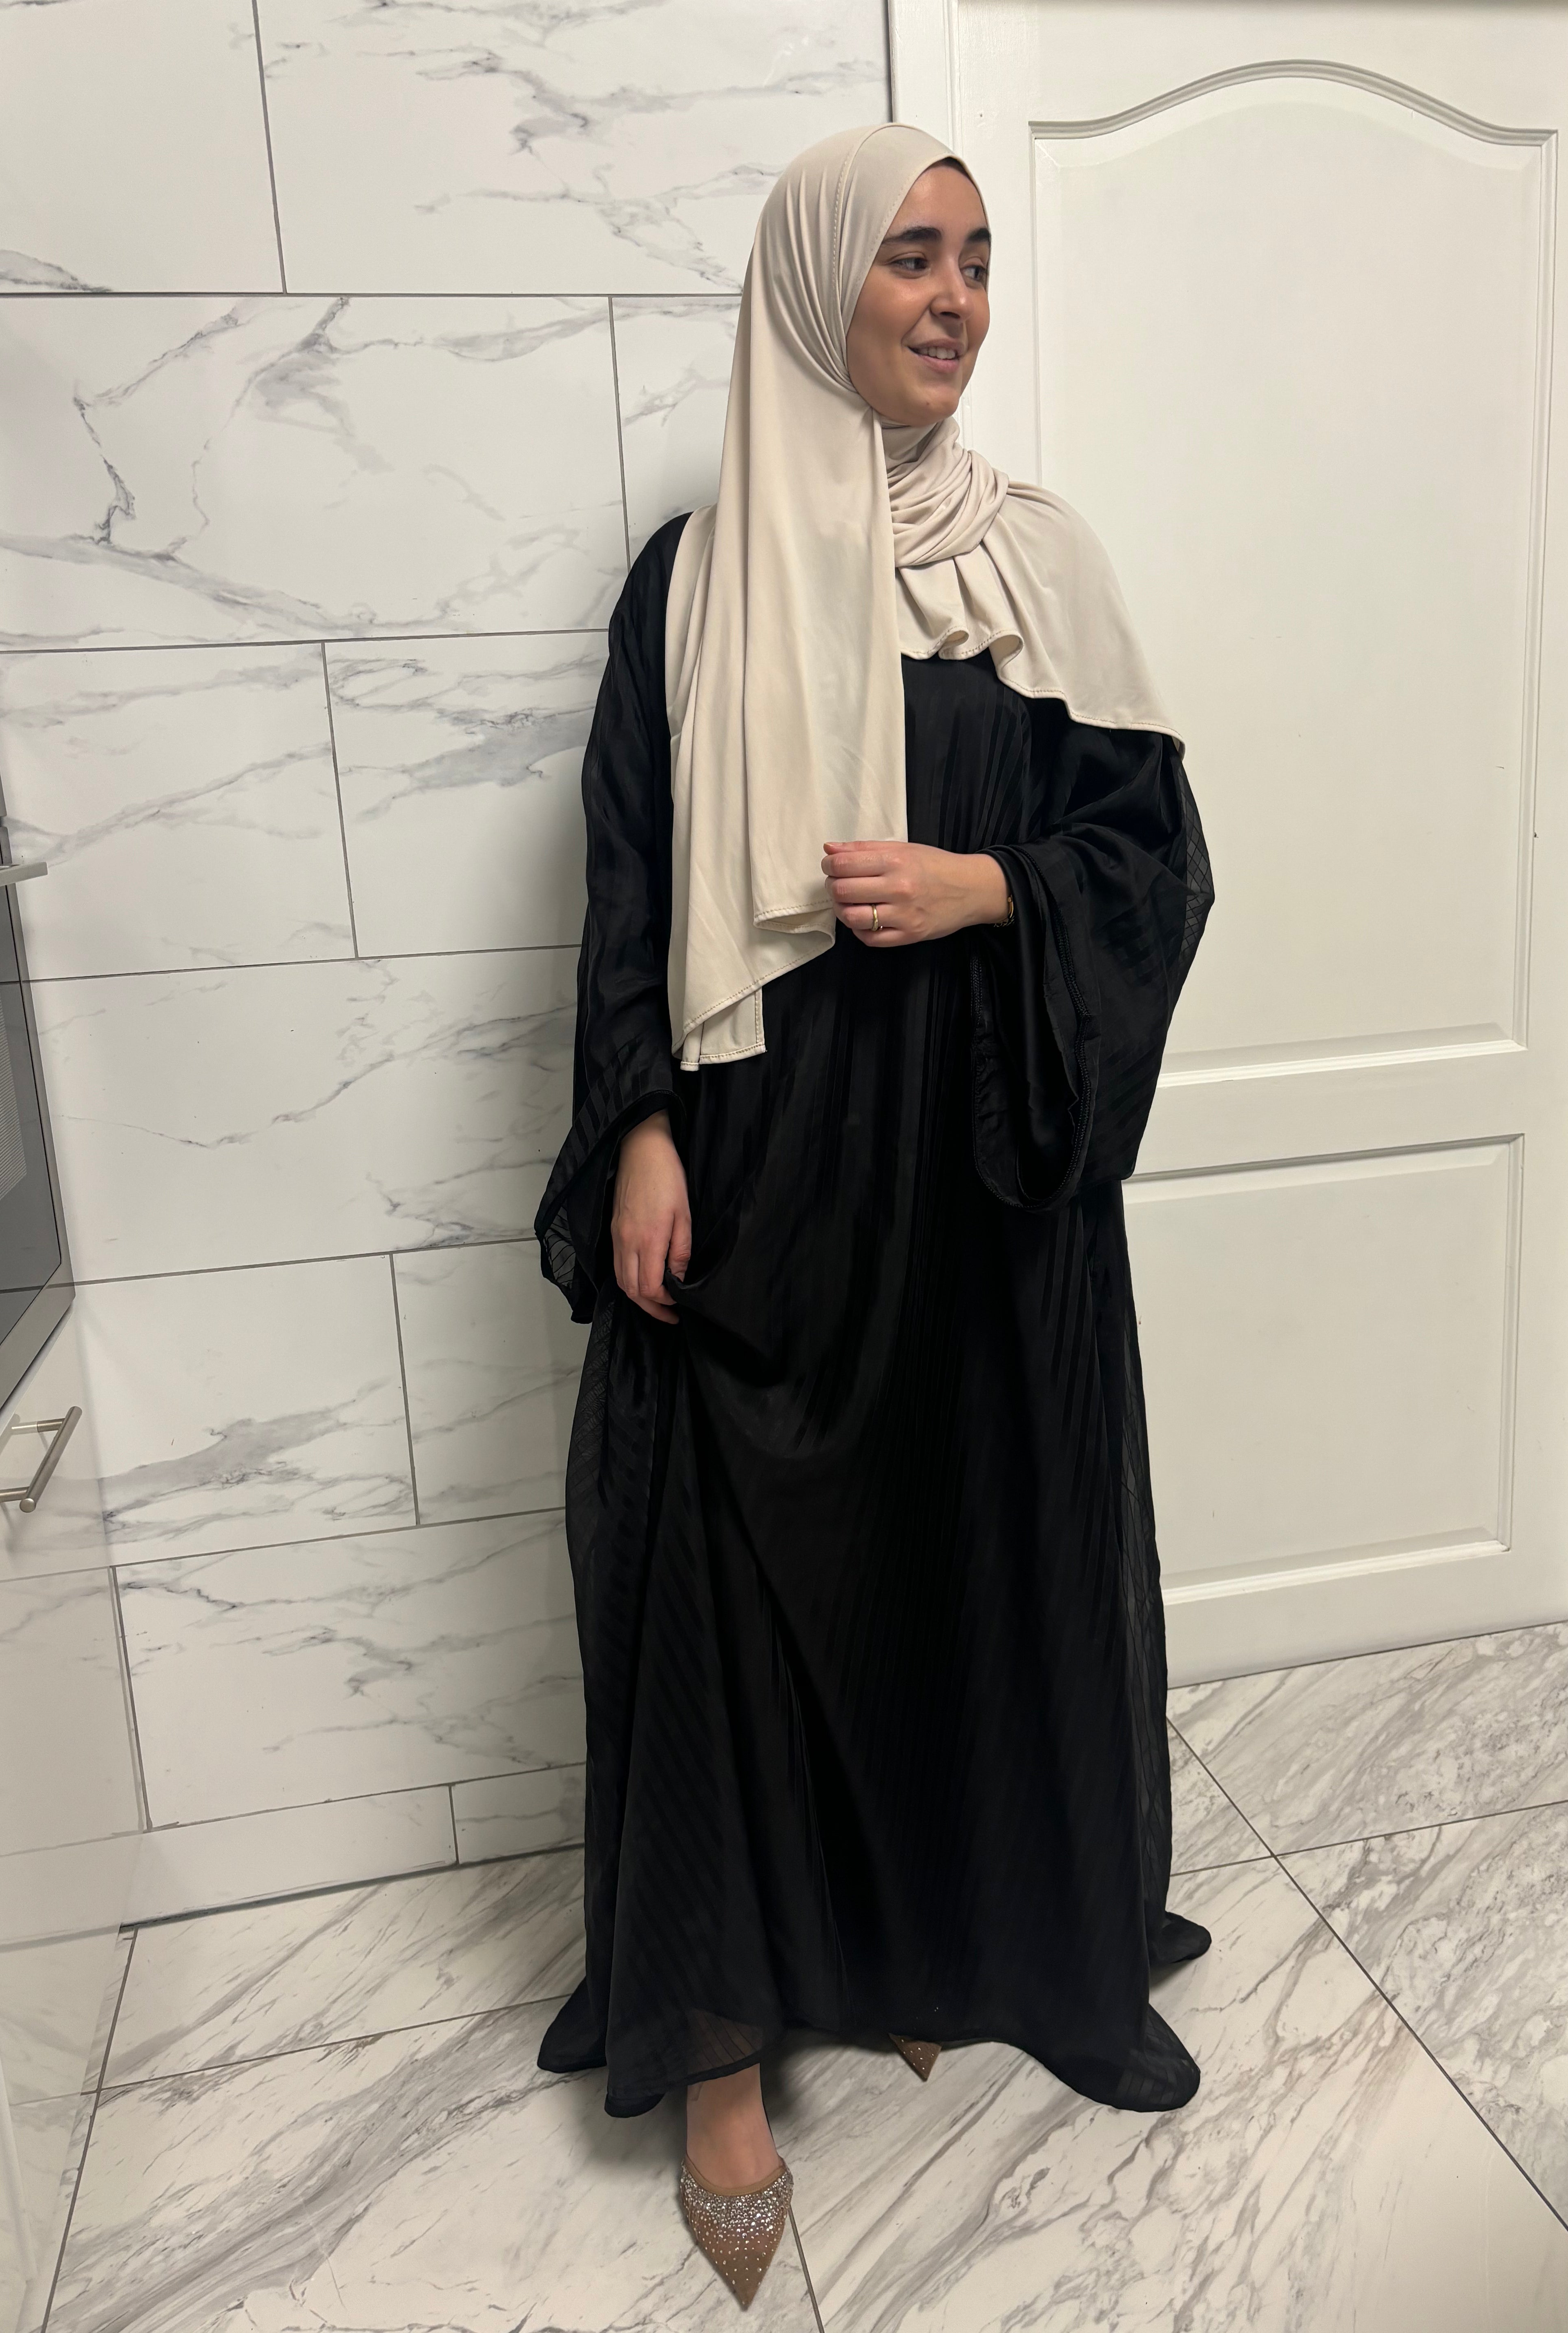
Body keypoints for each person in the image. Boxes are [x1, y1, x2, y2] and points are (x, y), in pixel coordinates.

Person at [533, 120, 1214, 2308]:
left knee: (964, 1553)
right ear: (815, 287)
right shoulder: (694, 583)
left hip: (989, 1169)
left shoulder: (1034, 566)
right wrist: (641, 1129)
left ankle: (947, 1938)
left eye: (978, 259)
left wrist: (988, 886)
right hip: (767, 1169)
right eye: (910, 256)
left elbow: (1154, 863)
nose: (953, 299)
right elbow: (631, 880)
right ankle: (725, 2056)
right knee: (724, 1580)